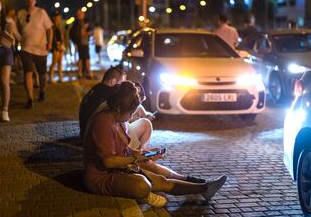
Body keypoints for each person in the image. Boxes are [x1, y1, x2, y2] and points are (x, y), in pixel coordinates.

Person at [83, 81, 227, 207]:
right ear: (120, 109)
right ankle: (146, 194)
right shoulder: (102, 122)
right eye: (131, 113)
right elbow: (108, 161)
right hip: (101, 176)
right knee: (142, 185)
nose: (132, 116)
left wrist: (141, 154)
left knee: (161, 180)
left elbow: (123, 148)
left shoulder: (116, 118)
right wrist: (136, 159)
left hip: (120, 168)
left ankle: (205, 188)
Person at [17, 0, 53, 108]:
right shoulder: (21, 14)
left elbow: (49, 29)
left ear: (35, 0)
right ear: (25, 1)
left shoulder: (41, 12)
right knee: (27, 73)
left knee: (42, 74)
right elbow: (16, 30)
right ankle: (30, 99)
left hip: (40, 49)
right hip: (26, 48)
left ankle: (42, 91)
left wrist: (49, 42)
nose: (30, 0)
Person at [79, 65, 126, 139]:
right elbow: (121, 117)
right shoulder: (110, 94)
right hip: (95, 137)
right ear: (113, 81)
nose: (121, 88)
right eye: (121, 84)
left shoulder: (97, 88)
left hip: (85, 132)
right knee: (144, 124)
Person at [70, 9, 92, 79]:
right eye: (78, 14)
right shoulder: (76, 23)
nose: (79, 15)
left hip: (85, 43)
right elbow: (72, 34)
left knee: (87, 58)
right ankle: (80, 73)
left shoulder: (86, 21)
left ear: (83, 14)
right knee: (81, 58)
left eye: (81, 14)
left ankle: (87, 72)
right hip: (80, 43)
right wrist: (75, 42)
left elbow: (91, 30)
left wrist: (88, 33)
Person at [49, 10, 65, 84]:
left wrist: (62, 44)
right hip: (56, 46)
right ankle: (51, 78)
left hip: (60, 46)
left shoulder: (59, 25)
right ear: (54, 17)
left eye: (59, 16)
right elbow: (53, 37)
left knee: (60, 62)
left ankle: (60, 77)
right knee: (54, 62)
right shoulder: (52, 26)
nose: (59, 18)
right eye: (58, 16)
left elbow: (61, 36)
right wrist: (57, 45)